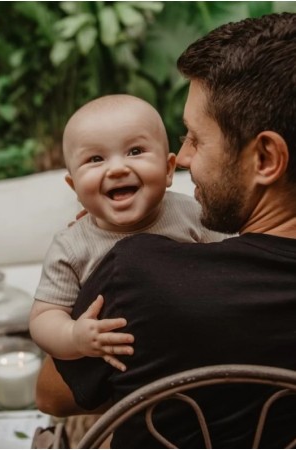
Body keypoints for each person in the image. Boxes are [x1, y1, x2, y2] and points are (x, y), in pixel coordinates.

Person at [36, 12, 296, 448]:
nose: (185, 156)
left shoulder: (136, 272)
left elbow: (51, 397)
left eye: (196, 137)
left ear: (266, 159)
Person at [29, 94, 226, 372]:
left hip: (202, 355)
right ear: (74, 187)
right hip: (124, 370)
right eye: (96, 159)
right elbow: (44, 317)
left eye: (135, 151)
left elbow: (233, 263)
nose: (118, 168)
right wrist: (74, 337)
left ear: (168, 169)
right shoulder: (72, 247)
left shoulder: (192, 214)